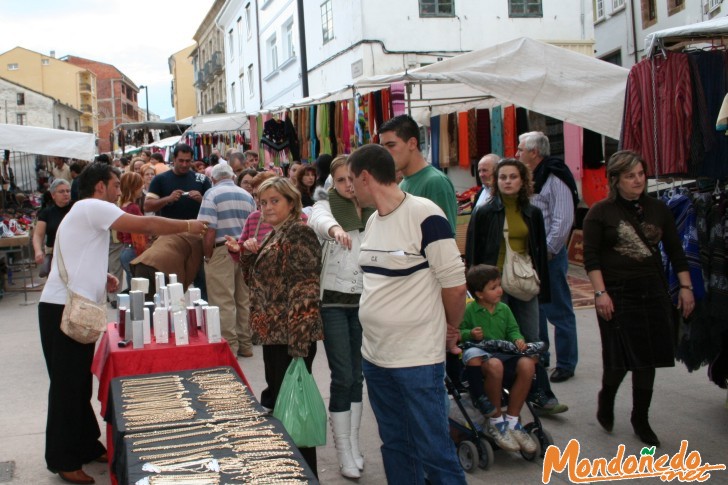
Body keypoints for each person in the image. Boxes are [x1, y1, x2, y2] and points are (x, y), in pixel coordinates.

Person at [38, 163, 206, 485]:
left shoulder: (85, 211)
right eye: (115, 184)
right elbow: (145, 222)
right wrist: (188, 224)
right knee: (65, 386)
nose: (119, 190)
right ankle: (62, 458)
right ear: (99, 186)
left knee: (76, 383)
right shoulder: (93, 205)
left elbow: (76, 254)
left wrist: (102, 276)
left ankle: (85, 444)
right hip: (61, 310)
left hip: (68, 307)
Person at [346, 144, 467, 484]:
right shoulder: (372, 222)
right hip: (376, 356)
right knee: (396, 445)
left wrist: (451, 328)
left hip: (416, 358)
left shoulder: (424, 214)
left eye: (352, 179)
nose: (350, 187)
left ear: (366, 177)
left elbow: (455, 286)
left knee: (434, 448)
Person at [583, 150, 695, 447]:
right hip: (617, 294)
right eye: (630, 175)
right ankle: (606, 399)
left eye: (641, 174)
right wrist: (600, 293)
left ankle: (640, 418)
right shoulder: (600, 212)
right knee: (619, 360)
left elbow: (675, 251)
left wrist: (686, 288)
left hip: (653, 291)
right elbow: (591, 258)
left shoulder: (659, 208)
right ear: (615, 179)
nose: (637, 180)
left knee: (648, 359)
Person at [225, 177, 323, 476]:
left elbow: (305, 291)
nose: (266, 207)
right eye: (262, 202)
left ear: (291, 203)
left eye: (274, 201)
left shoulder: (299, 234)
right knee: (285, 409)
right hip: (274, 334)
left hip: (291, 337)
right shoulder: (275, 234)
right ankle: (294, 472)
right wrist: (248, 255)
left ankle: (305, 473)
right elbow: (256, 282)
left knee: (295, 411)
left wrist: (298, 348)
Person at [466, 158, 568, 416]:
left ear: (523, 181)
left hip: (522, 284)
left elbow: (538, 251)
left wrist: (541, 284)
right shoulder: (485, 211)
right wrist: (475, 288)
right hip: (493, 285)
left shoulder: (532, 212)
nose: (508, 181)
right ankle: (498, 396)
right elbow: (473, 251)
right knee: (498, 342)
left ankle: (540, 394)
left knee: (532, 340)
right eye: (503, 177)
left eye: (513, 177)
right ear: (496, 181)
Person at [309, 155, 375, 478]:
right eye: (341, 180)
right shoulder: (327, 205)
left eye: (352, 179)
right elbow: (318, 220)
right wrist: (335, 230)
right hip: (333, 304)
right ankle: (344, 451)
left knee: (358, 377)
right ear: (332, 183)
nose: (348, 185)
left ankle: (354, 445)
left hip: (366, 304)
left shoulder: (375, 207)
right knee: (343, 376)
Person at [518, 131, 580, 383]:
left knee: (559, 308)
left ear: (534, 152)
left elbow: (563, 218)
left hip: (549, 254)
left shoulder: (554, 176)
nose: (517, 154)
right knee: (536, 308)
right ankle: (541, 355)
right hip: (531, 254)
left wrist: (549, 252)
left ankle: (566, 362)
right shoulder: (531, 176)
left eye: (521, 149)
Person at [460, 264, 538, 454]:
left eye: (499, 285)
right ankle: (496, 421)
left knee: (528, 364)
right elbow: (458, 332)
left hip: (505, 354)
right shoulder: (470, 311)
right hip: (484, 357)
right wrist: (470, 333)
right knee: (494, 365)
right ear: (479, 294)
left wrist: (518, 339)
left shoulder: (504, 309)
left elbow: (512, 329)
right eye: (493, 287)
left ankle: (512, 420)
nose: (499, 290)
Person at [198, 164, 256, 358]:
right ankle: (245, 344)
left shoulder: (211, 194)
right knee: (243, 299)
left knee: (223, 300)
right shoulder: (246, 195)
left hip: (221, 249)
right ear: (232, 176)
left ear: (213, 179)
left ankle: (229, 347)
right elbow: (254, 225)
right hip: (244, 249)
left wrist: (207, 255)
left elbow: (208, 229)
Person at [145, 143, 211, 298]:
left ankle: (203, 317)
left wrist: (202, 200)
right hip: (169, 238)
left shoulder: (201, 179)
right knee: (171, 282)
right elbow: (147, 205)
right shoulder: (160, 180)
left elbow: (213, 208)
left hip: (197, 238)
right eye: (181, 161)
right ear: (173, 159)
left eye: (188, 161)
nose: (184, 164)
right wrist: (168, 199)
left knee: (201, 281)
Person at [379, 114, 458, 235]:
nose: (385, 153)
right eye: (382, 147)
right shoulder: (403, 184)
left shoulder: (435, 182)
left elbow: (444, 238)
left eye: (391, 145)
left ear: (412, 143)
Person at [33, 179, 72, 278]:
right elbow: (38, 234)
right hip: (54, 255)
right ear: (53, 195)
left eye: (68, 191)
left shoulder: (76, 208)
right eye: (61, 191)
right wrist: (38, 251)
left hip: (74, 254)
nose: (66, 194)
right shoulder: (46, 213)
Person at [118, 172, 148, 292]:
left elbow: (120, 234)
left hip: (125, 249)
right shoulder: (133, 208)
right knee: (139, 290)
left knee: (133, 287)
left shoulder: (122, 206)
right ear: (134, 187)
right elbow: (142, 229)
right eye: (140, 185)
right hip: (134, 250)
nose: (142, 187)